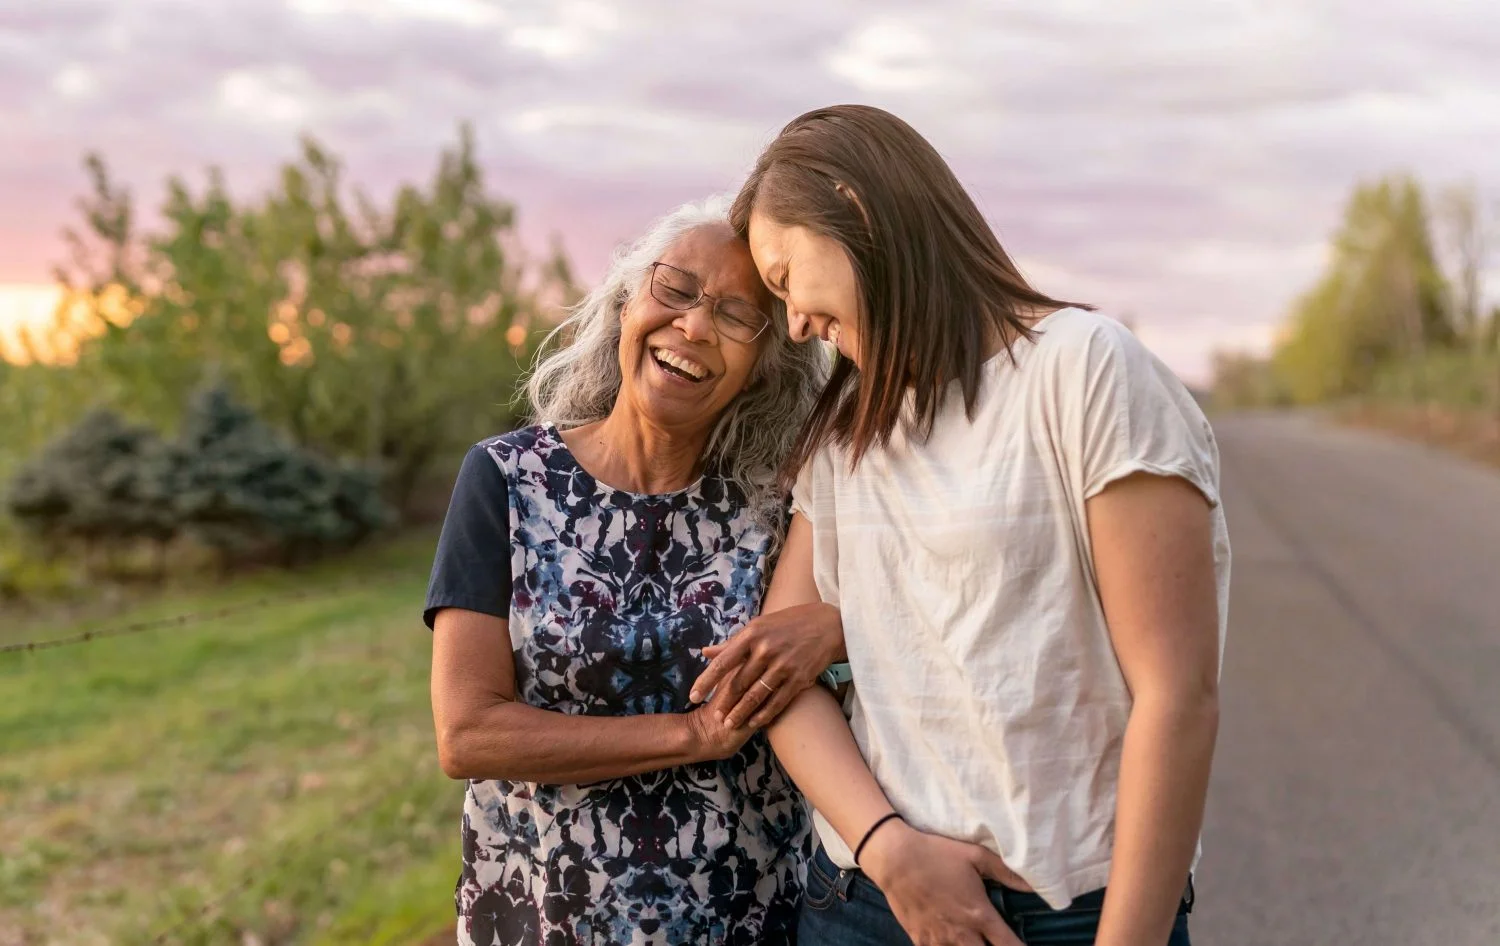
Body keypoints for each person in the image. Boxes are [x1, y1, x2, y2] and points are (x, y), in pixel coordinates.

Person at [695, 105, 1230, 946]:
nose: (794, 322)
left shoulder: (1085, 371)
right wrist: (888, 850)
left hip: (1073, 910)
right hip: (869, 902)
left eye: (786, 274)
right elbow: (775, 676)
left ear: (855, 209)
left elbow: (1178, 697)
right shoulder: (847, 433)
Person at [423, 196, 837, 946]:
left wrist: (834, 627)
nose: (695, 325)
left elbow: (875, 623)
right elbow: (468, 734)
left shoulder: (784, 504)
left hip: (749, 918)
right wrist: (690, 734)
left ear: (765, 367)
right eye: (675, 289)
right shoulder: (506, 480)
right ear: (626, 304)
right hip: (546, 917)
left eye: (737, 317)